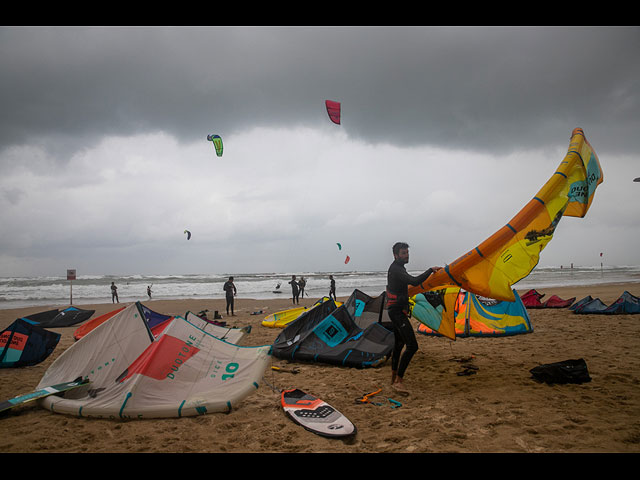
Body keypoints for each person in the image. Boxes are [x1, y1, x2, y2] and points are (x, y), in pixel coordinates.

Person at [386, 242, 441, 395]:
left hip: (397, 311)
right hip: (396, 312)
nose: (406, 255)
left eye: (407, 252)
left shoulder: (398, 268)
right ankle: (398, 381)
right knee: (412, 346)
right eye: (403, 253)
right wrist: (430, 270)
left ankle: (393, 377)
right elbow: (415, 281)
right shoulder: (396, 269)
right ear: (396, 255)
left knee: (399, 343)